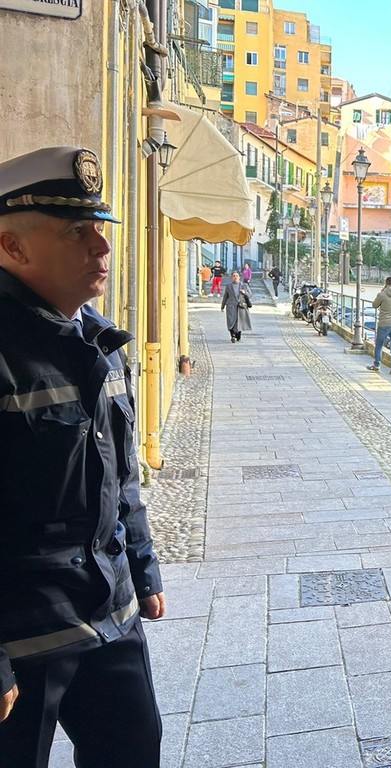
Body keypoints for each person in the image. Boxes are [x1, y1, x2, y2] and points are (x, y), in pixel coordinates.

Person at [0, 146, 166, 767]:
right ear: (12, 246)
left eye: (99, 227)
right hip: (22, 635)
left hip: (109, 612)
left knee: (134, 751)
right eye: (76, 232)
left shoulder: (101, 340)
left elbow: (122, 478)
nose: (102, 246)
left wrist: (143, 567)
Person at [368, 276, 391, 375]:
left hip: (384, 323)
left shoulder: (382, 294)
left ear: (386, 283)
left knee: (379, 345)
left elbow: (374, 305)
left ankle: (377, 365)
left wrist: (383, 289)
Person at [221, 270, 252, 342]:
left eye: (236, 276)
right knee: (231, 320)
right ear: (232, 277)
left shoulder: (244, 285)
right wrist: (222, 306)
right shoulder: (229, 286)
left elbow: (250, 294)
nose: (235, 277)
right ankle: (233, 335)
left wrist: (245, 292)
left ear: (239, 277)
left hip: (241, 306)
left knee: (239, 321)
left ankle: (238, 335)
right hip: (231, 306)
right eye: (234, 276)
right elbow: (225, 297)